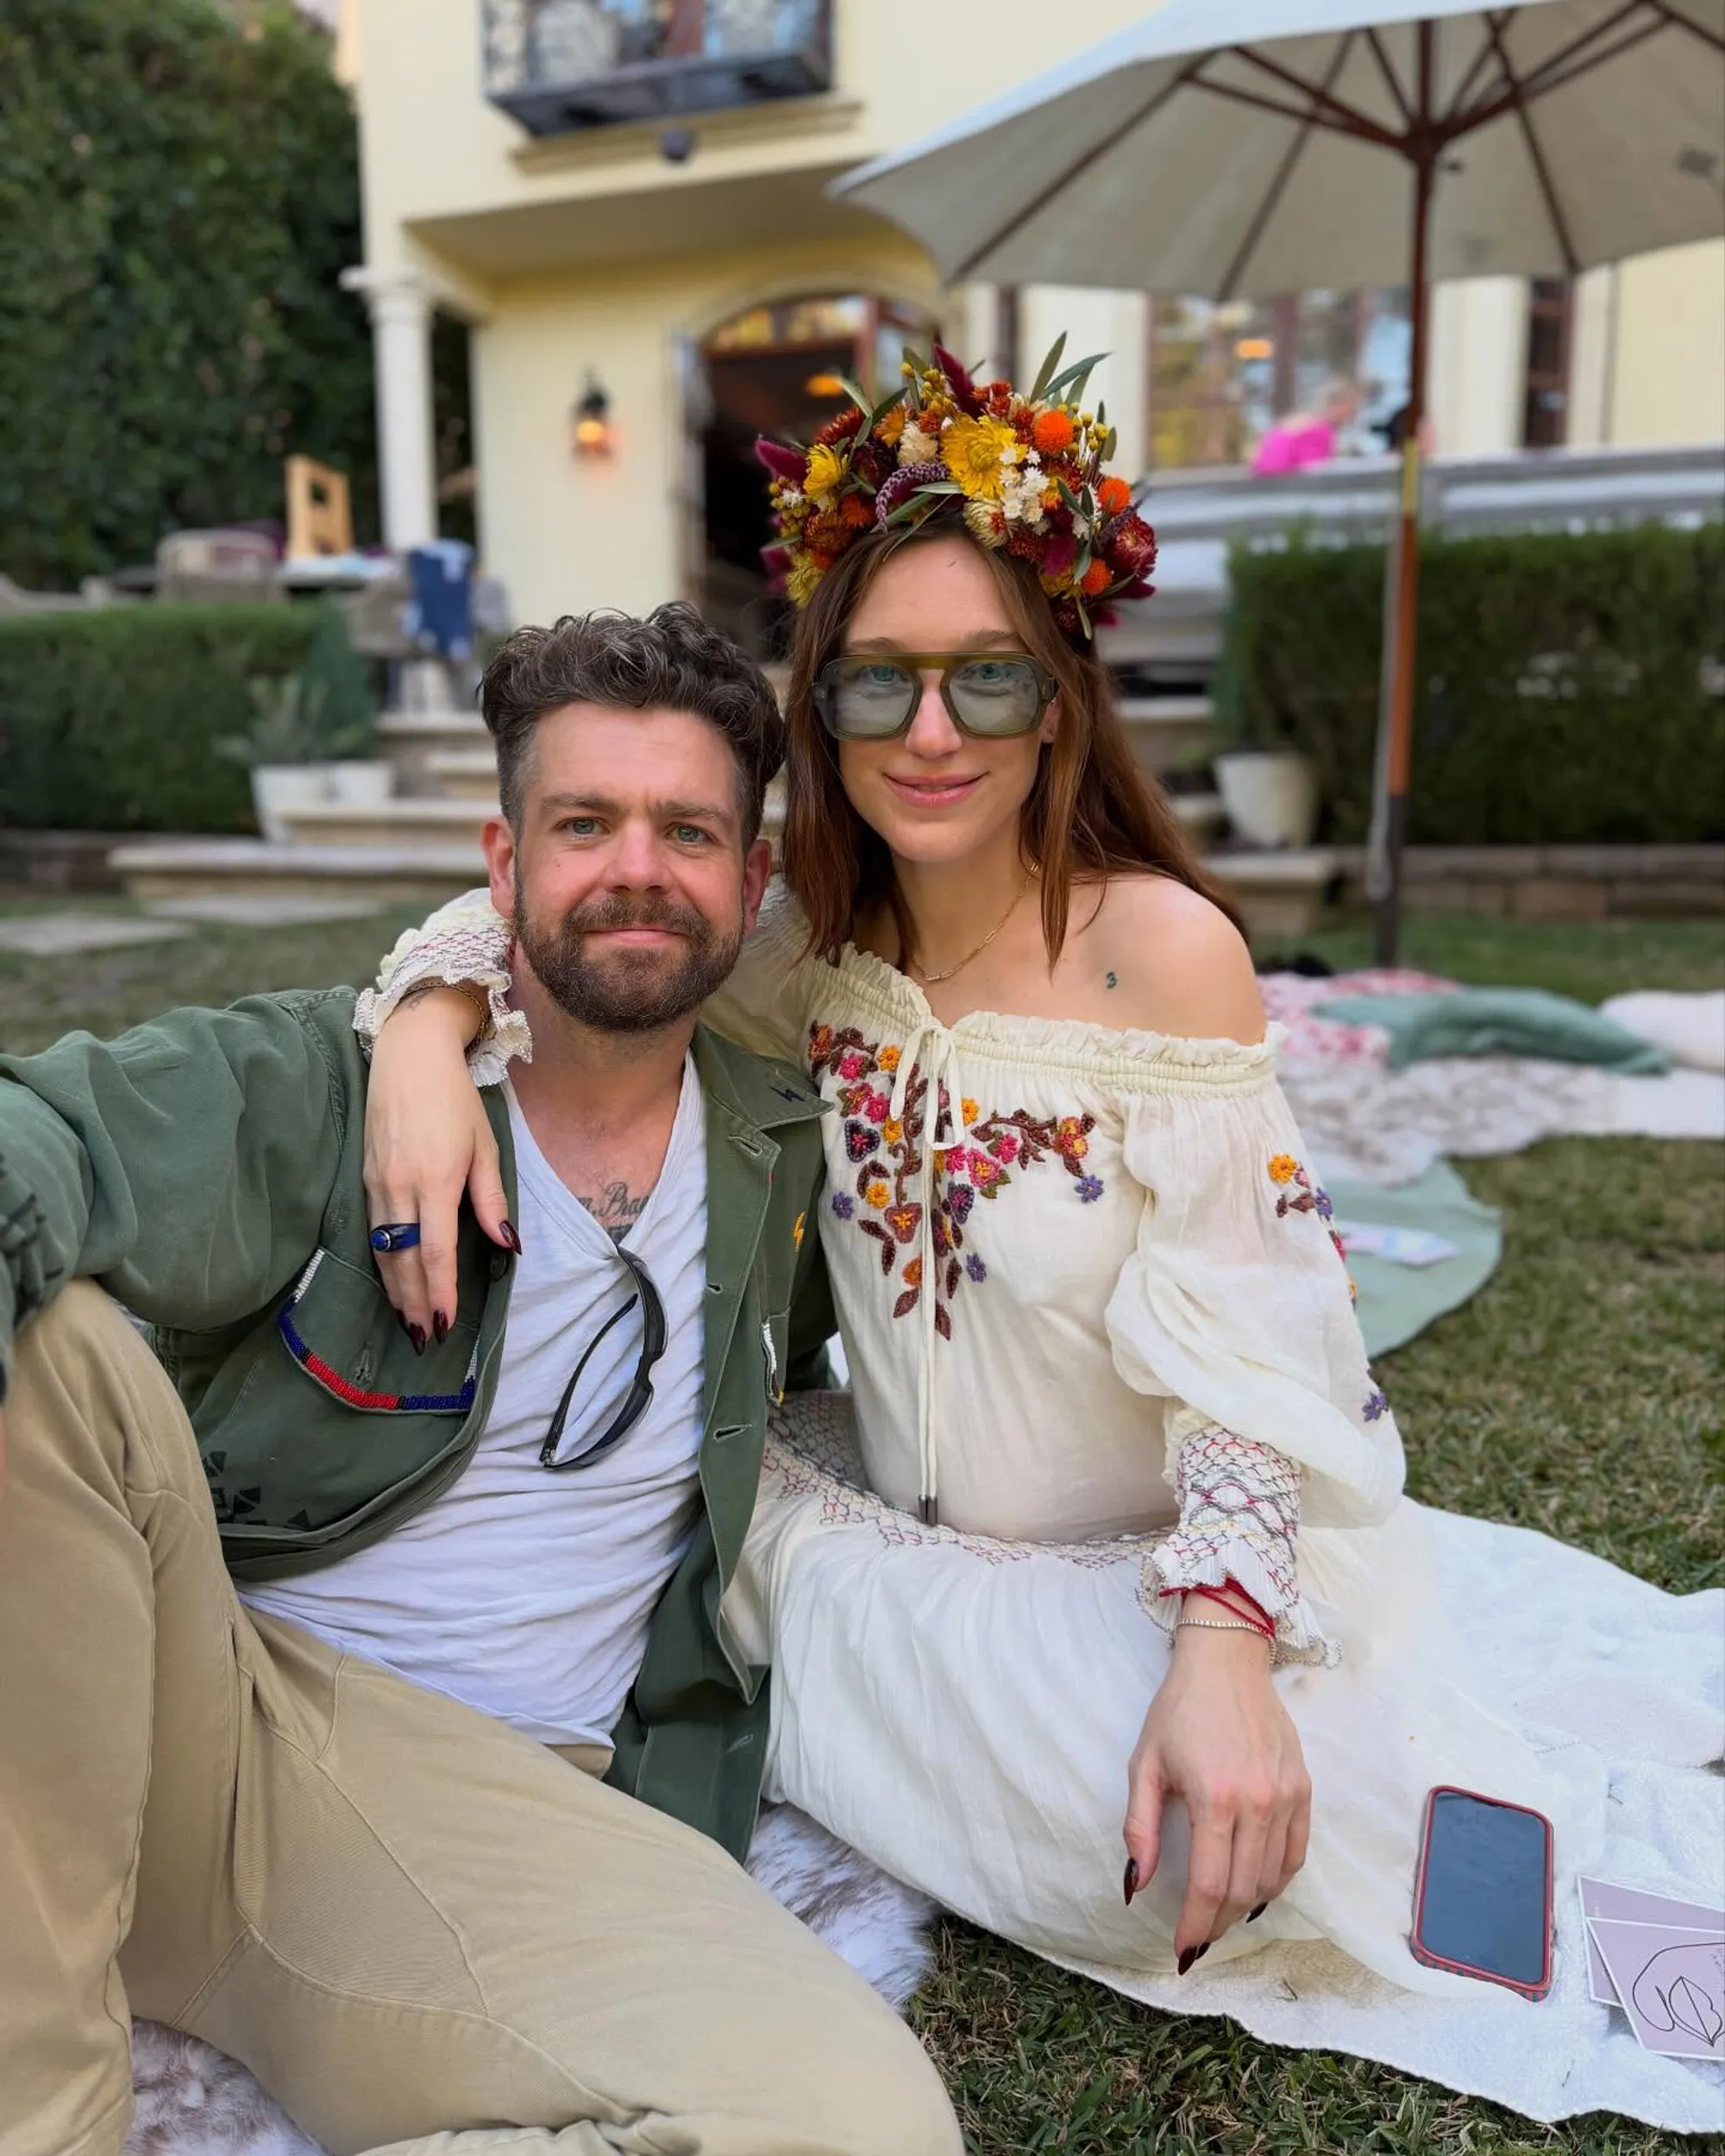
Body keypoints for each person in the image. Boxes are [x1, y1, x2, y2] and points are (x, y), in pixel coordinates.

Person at [352, 349, 1692, 2039]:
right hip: (878, 1546)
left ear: (1057, 696)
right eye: (874, 683)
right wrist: (425, 1019)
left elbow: (1249, 1334)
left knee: (1269, 1828)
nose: (928, 732)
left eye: (984, 679)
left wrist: (1218, 1651)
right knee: (1103, 1825)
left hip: (1158, 1567)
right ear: (818, 707)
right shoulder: (811, 954)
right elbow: (586, 945)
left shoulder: (1161, 953)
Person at [0, 603, 961, 2156]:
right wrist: (422, 1034)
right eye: (583, 823)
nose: (636, 867)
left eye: (688, 831)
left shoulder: (785, 1152)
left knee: (857, 2123)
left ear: (749, 882)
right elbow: (48, 1141)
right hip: (198, 1712)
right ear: (502, 868)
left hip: (501, 1822)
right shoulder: (330, 1082)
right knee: (57, 1345)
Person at [1250, 377, 1362, 475]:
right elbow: (1315, 474)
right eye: (1351, 407)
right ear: (1335, 405)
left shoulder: (1299, 422)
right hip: (1284, 490)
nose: (1354, 413)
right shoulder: (1319, 431)